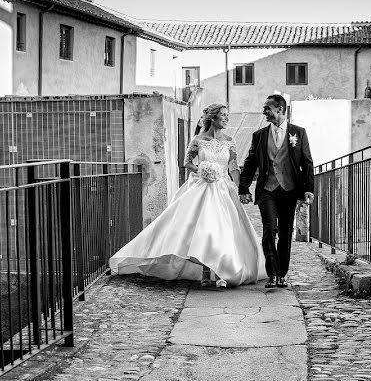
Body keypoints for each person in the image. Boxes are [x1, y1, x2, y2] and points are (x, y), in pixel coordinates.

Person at [109, 103, 264, 287]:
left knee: (224, 231)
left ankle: (222, 271)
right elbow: (187, 162)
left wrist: (238, 188)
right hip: (202, 189)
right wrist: (202, 170)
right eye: (223, 115)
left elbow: (233, 167)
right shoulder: (198, 140)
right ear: (213, 118)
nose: (227, 119)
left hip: (223, 189)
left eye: (227, 115)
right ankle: (207, 273)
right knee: (205, 231)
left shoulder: (230, 141)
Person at [239, 94, 314, 289]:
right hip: (267, 190)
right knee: (269, 230)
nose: (264, 112)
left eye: (267, 108)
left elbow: (307, 163)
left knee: (286, 232)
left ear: (280, 109)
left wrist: (308, 189)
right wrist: (244, 187)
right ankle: (271, 273)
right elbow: (250, 162)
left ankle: (282, 274)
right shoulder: (259, 135)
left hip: (290, 190)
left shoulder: (299, 133)